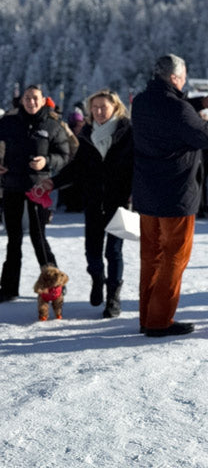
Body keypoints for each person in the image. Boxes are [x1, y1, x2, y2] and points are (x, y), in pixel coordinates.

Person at [131, 54, 208, 337]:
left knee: (150, 257)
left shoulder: (141, 102)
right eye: (184, 76)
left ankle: (147, 315)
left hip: (147, 192)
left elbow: (174, 111)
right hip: (176, 193)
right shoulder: (176, 109)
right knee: (174, 257)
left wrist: (202, 103)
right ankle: (159, 320)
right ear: (175, 77)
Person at [44, 89, 133, 317]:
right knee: (92, 252)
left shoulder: (128, 133)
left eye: (103, 107)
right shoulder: (87, 134)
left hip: (119, 203)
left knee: (114, 252)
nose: (99, 111)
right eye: (94, 108)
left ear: (115, 107)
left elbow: (137, 168)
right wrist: (53, 182)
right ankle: (97, 279)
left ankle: (113, 298)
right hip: (93, 201)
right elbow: (76, 167)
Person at [0, 84, 71, 302]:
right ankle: (9, 288)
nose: (31, 102)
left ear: (43, 101)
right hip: (12, 185)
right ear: (22, 101)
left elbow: (64, 154)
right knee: (14, 238)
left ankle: (54, 283)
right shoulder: (8, 122)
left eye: (35, 98)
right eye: (28, 98)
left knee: (38, 237)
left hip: (38, 187)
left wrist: (47, 161)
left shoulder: (52, 124)